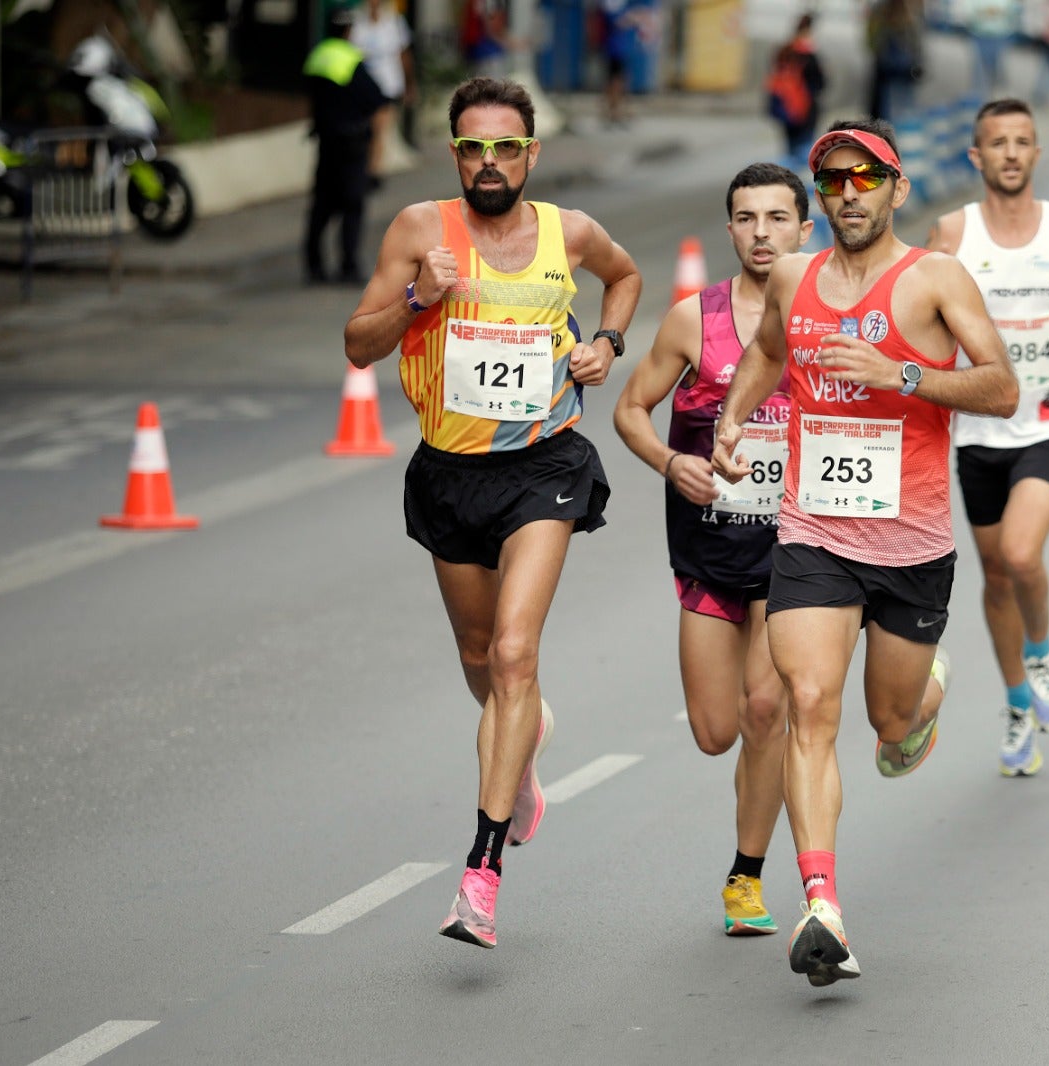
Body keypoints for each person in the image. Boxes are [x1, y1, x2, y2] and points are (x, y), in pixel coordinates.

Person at [712, 120, 1019, 986]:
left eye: (866, 178)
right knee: (809, 702)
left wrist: (906, 376)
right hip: (814, 532)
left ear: (897, 188)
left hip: (912, 542)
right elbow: (768, 354)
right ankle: (822, 906)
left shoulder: (934, 280)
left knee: (889, 723)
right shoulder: (794, 276)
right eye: (833, 179)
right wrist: (734, 421)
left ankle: (926, 695)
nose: (849, 193)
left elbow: (1001, 385)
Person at [343, 76, 642, 949]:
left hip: (544, 464)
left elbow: (623, 277)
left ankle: (480, 874)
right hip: (449, 472)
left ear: (531, 155)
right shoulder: (418, 232)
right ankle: (528, 731)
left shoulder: (568, 232)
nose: (488, 162)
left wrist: (606, 343)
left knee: (515, 651)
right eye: (472, 147)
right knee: (481, 658)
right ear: (454, 155)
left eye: (505, 147)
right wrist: (414, 301)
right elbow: (357, 345)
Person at [613, 163, 813, 937]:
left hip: (795, 551)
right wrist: (672, 462)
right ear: (729, 230)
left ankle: (747, 877)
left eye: (777, 217)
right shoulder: (698, 320)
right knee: (714, 731)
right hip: (707, 549)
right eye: (746, 218)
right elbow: (631, 410)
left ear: (804, 228)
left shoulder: (826, 317)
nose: (762, 232)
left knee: (768, 708)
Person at [925, 97, 1049, 778]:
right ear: (976, 156)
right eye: (997, 143)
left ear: (1037, 153)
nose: (1011, 153)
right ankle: (1017, 703)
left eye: (1023, 141)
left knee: (1019, 554)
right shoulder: (951, 235)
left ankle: (1041, 653)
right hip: (977, 429)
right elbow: (916, 315)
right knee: (994, 579)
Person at [302, 7, 389, 284]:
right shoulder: (351, 60)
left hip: (326, 143)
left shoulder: (317, 57)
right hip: (352, 145)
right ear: (349, 31)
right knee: (352, 205)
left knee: (321, 205)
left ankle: (314, 266)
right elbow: (376, 99)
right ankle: (348, 266)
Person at [351, 0, 417, 182]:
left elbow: (404, 54)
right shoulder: (357, 22)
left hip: (387, 85)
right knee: (364, 129)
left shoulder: (394, 22)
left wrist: (409, 84)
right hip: (362, 85)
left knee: (379, 128)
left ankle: (373, 171)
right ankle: (364, 168)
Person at [767, 15, 827, 159]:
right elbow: (821, 83)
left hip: (786, 107)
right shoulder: (809, 54)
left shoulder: (785, 50)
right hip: (805, 108)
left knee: (790, 149)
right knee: (803, 151)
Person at [866, 0, 924, 123]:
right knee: (899, 109)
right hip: (897, 73)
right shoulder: (909, 12)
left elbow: (871, 43)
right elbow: (917, 46)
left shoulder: (880, 12)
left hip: (889, 72)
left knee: (886, 110)